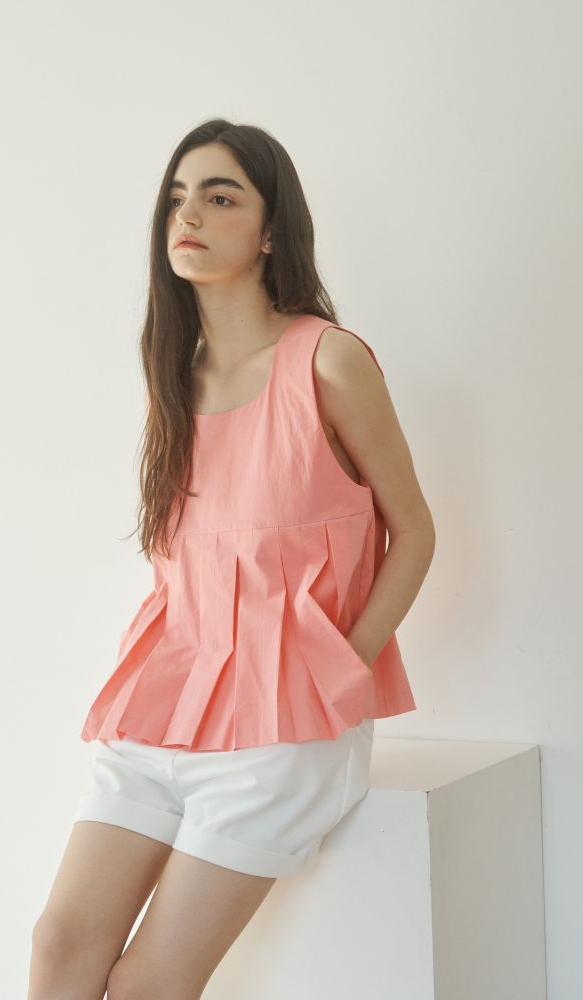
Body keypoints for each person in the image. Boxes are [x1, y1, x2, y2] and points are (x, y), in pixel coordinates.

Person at [27, 118, 436, 1000]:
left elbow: (414, 530)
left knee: (147, 986)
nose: (189, 216)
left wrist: (344, 668)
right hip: (165, 710)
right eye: (178, 198)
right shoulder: (176, 376)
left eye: (220, 197)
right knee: (59, 945)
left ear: (272, 231)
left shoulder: (328, 360)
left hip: (283, 731)